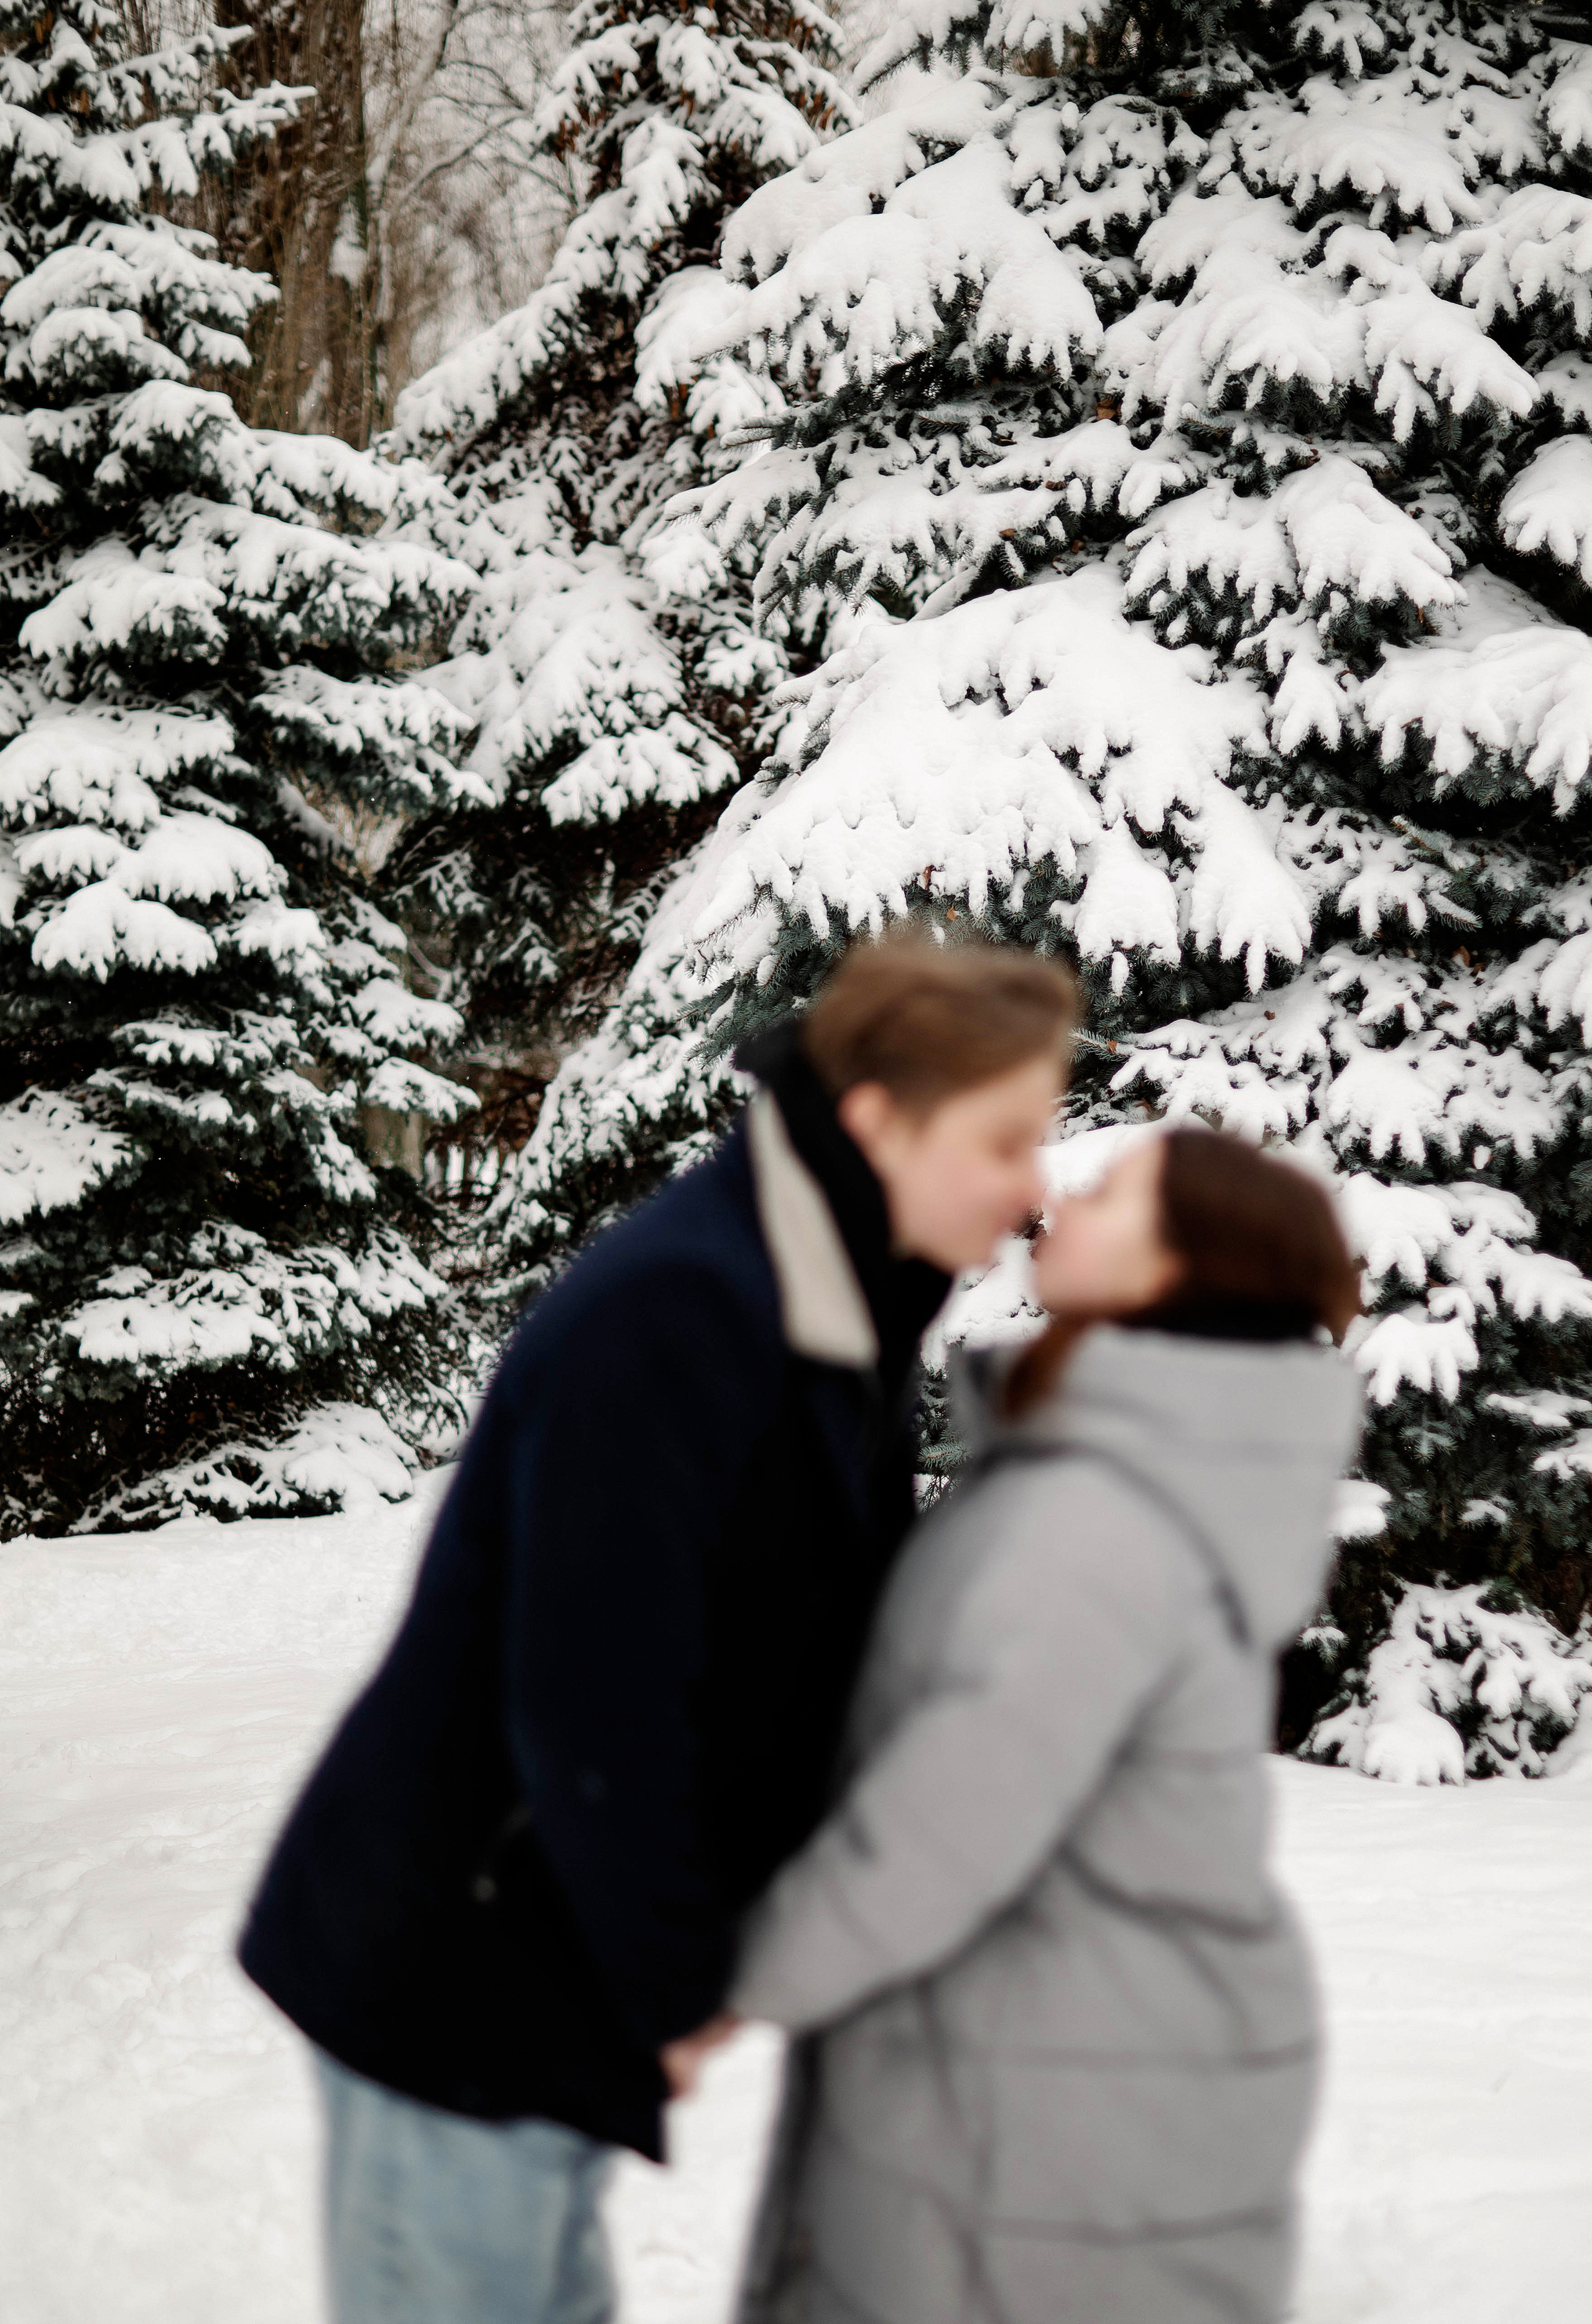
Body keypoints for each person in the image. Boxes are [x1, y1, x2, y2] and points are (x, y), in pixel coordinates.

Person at [238, 933, 1078, 2324]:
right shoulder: (684, 1314)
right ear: (876, 1120)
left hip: (550, 1973)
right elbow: (588, 1703)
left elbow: (810, 1660)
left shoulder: (831, 1308)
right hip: (463, 1975)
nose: (1031, 1189)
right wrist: (679, 1984)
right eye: (1003, 1141)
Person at [707, 1125, 1364, 2324]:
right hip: (1052, 2068)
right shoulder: (1096, 1470)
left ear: (1183, 1268)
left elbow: (938, 1830)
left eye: (1113, 1193)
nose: (1069, 1191)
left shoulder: (1098, 1516)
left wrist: (716, 1987)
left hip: (1066, 2119)